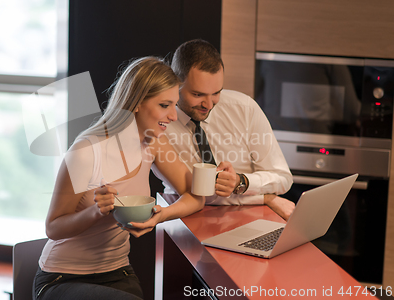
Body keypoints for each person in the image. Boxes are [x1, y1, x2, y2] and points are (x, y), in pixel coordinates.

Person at [33, 57, 212, 300]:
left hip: (118, 271)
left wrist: (161, 216)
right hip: (62, 277)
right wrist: (95, 211)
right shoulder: (86, 152)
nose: (173, 115)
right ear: (137, 102)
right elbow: (53, 227)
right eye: (164, 105)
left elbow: (195, 197)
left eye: (174, 105)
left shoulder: (154, 143)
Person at [153, 39, 295, 220]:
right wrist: (266, 197)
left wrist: (241, 182)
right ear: (176, 83)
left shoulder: (244, 108)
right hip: (184, 217)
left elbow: (283, 178)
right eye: (198, 94)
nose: (208, 104)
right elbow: (197, 193)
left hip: (247, 216)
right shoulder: (159, 120)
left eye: (216, 93)